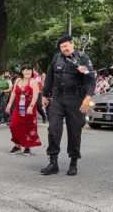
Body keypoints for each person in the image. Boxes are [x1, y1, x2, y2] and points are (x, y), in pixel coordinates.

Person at [40, 34, 96, 176]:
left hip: (76, 99)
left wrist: (88, 97)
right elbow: (50, 77)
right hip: (58, 98)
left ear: (72, 44)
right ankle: (53, 163)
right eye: (61, 47)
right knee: (53, 129)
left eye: (66, 46)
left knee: (74, 131)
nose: (64, 49)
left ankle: (73, 163)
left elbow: (90, 79)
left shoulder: (82, 58)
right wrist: (45, 95)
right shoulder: (56, 58)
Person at [6, 65, 41, 155]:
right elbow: (13, 92)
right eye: (26, 70)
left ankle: (27, 146)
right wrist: (9, 104)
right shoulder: (18, 80)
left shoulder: (33, 82)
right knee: (14, 126)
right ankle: (17, 145)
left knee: (28, 127)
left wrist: (31, 106)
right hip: (18, 107)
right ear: (22, 71)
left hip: (29, 108)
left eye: (30, 70)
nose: (28, 72)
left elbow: (35, 96)